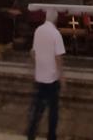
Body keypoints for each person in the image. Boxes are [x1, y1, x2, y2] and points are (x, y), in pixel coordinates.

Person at [27, 9, 65, 140]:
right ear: (55, 20)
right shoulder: (55, 33)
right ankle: (51, 136)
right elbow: (58, 58)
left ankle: (31, 134)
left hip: (39, 76)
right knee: (53, 110)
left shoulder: (38, 30)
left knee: (37, 108)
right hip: (52, 79)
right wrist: (62, 76)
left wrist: (37, 67)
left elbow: (32, 52)